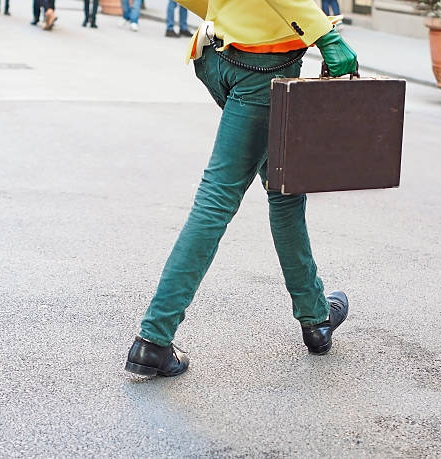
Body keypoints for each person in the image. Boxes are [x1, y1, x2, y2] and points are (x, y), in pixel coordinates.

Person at [125, 0, 357, 377]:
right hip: (262, 65)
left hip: (217, 54)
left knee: (285, 185)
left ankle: (316, 318)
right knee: (219, 199)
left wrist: (225, 15)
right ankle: (153, 339)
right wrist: (325, 35)